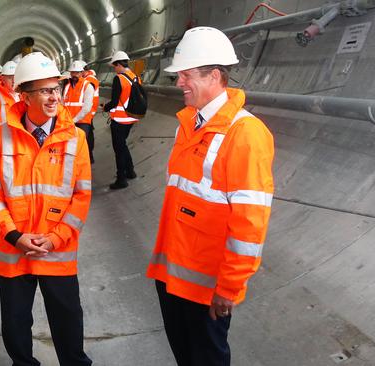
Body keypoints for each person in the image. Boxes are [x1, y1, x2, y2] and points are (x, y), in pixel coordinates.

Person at [146, 26, 275, 366]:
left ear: (215, 76)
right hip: (173, 274)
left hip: (205, 287)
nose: (178, 84)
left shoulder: (246, 134)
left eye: (186, 75)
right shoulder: (188, 125)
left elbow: (250, 225)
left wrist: (229, 288)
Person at [0, 52, 92, 366]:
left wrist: (56, 238)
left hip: (57, 249)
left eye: (56, 89)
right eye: (45, 91)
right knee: (15, 326)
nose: (54, 97)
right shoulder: (0, 139)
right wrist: (14, 234)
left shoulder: (76, 139)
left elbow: (82, 197)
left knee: (68, 321)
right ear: (24, 95)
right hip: (14, 249)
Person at [103, 50, 140, 190]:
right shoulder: (135, 77)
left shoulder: (119, 78)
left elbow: (114, 101)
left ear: (119, 64)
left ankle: (121, 179)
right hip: (131, 118)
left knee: (119, 149)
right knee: (123, 145)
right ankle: (130, 171)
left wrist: (105, 107)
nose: (114, 68)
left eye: (114, 66)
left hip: (119, 120)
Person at [62, 61, 95, 164]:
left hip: (82, 121)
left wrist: (74, 120)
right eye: (72, 72)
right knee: (69, 145)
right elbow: (63, 104)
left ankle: (84, 164)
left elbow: (87, 107)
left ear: (81, 73)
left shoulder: (88, 86)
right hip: (69, 121)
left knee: (81, 145)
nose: (74, 75)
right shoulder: (67, 86)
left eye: (77, 72)